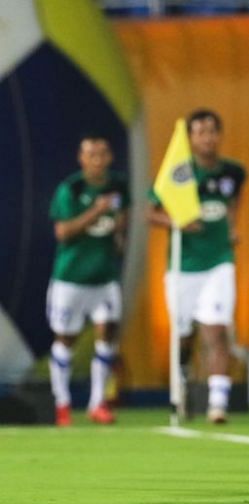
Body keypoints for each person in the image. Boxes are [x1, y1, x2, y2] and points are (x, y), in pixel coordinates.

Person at [147, 109, 246, 424]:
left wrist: (231, 227)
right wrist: (175, 222)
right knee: (185, 335)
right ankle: (184, 379)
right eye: (201, 132)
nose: (207, 138)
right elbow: (149, 212)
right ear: (190, 138)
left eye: (212, 131)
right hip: (183, 268)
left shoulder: (233, 172)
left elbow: (233, 202)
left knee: (217, 330)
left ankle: (218, 404)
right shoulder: (179, 173)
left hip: (219, 263)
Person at [47, 134, 129, 426]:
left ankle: (98, 403)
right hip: (71, 279)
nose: (98, 160)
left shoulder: (119, 186)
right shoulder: (72, 188)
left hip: (104, 278)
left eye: (103, 154)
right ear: (81, 159)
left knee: (107, 335)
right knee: (65, 340)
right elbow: (63, 232)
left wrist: (120, 231)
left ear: (109, 157)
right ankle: (63, 405)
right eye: (91, 154)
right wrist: (96, 211)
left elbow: (122, 223)